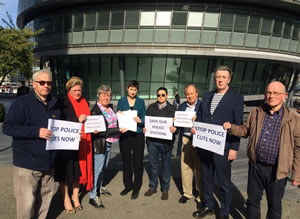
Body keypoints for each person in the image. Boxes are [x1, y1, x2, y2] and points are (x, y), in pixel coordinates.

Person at [223, 81, 300, 219]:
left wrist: (296, 175)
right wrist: (231, 128)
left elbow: (298, 148)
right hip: (256, 166)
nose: (271, 96)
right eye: (269, 92)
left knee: (274, 206)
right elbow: (245, 130)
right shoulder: (256, 112)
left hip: (277, 171)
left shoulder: (294, 119)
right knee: (252, 201)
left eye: (275, 93)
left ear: (284, 96)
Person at [2, 69, 60, 219]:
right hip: (26, 163)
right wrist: (36, 132)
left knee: (45, 201)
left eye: (49, 83)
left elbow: (59, 128)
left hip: (48, 163)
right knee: (26, 204)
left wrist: (73, 134)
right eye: (42, 83)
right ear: (34, 84)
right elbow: (8, 127)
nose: (46, 85)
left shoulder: (55, 103)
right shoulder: (22, 103)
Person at [193, 65, 244, 219]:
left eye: (223, 77)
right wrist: (196, 129)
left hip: (224, 148)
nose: (220, 79)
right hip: (205, 146)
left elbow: (238, 124)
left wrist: (234, 148)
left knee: (224, 183)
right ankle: (209, 205)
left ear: (229, 79)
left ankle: (224, 212)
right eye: (218, 77)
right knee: (206, 179)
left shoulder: (236, 98)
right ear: (214, 78)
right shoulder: (207, 96)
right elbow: (201, 117)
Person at [54, 76, 93, 213]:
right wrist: (77, 120)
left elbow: (90, 121)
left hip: (82, 143)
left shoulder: (85, 102)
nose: (78, 93)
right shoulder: (62, 102)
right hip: (66, 144)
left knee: (78, 172)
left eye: (79, 90)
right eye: (75, 90)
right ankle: (65, 198)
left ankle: (75, 196)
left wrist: (93, 127)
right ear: (69, 89)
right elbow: (59, 121)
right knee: (64, 173)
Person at [89, 84, 126, 208]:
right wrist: (117, 130)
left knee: (104, 167)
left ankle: (99, 187)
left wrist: (120, 115)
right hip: (100, 143)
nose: (107, 97)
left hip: (109, 142)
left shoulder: (110, 108)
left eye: (109, 95)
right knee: (97, 169)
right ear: (98, 95)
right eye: (104, 94)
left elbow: (113, 121)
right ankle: (92, 196)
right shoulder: (95, 111)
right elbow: (101, 131)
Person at [143, 87, 178, 200]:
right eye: (159, 95)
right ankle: (153, 187)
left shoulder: (172, 109)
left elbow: (177, 127)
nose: (160, 97)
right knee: (153, 166)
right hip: (152, 142)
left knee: (166, 167)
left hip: (166, 143)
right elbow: (147, 123)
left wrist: (175, 130)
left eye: (163, 95)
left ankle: (165, 189)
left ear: (167, 96)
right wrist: (145, 129)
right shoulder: (151, 107)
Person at [117, 80, 146, 199]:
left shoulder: (141, 101)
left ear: (137, 90)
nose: (133, 91)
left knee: (138, 161)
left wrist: (140, 121)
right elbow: (118, 117)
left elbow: (144, 115)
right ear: (127, 89)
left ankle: (136, 187)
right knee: (126, 160)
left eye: (135, 89)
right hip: (124, 135)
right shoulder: (121, 101)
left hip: (137, 134)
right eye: (131, 89)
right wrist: (118, 114)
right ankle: (128, 185)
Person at [177, 84, 203, 207]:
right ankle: (187, 193)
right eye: (187, 94)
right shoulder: (182, 106)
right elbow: (178, 124)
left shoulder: (202, 106)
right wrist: (173, 125)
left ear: (197, 93)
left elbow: (208, 120)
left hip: (198, 140)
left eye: (192, 93)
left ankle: (200, 196)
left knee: (199, 169)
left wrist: (198, 120)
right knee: (185, 167)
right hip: (185, 139)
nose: (189, 96)